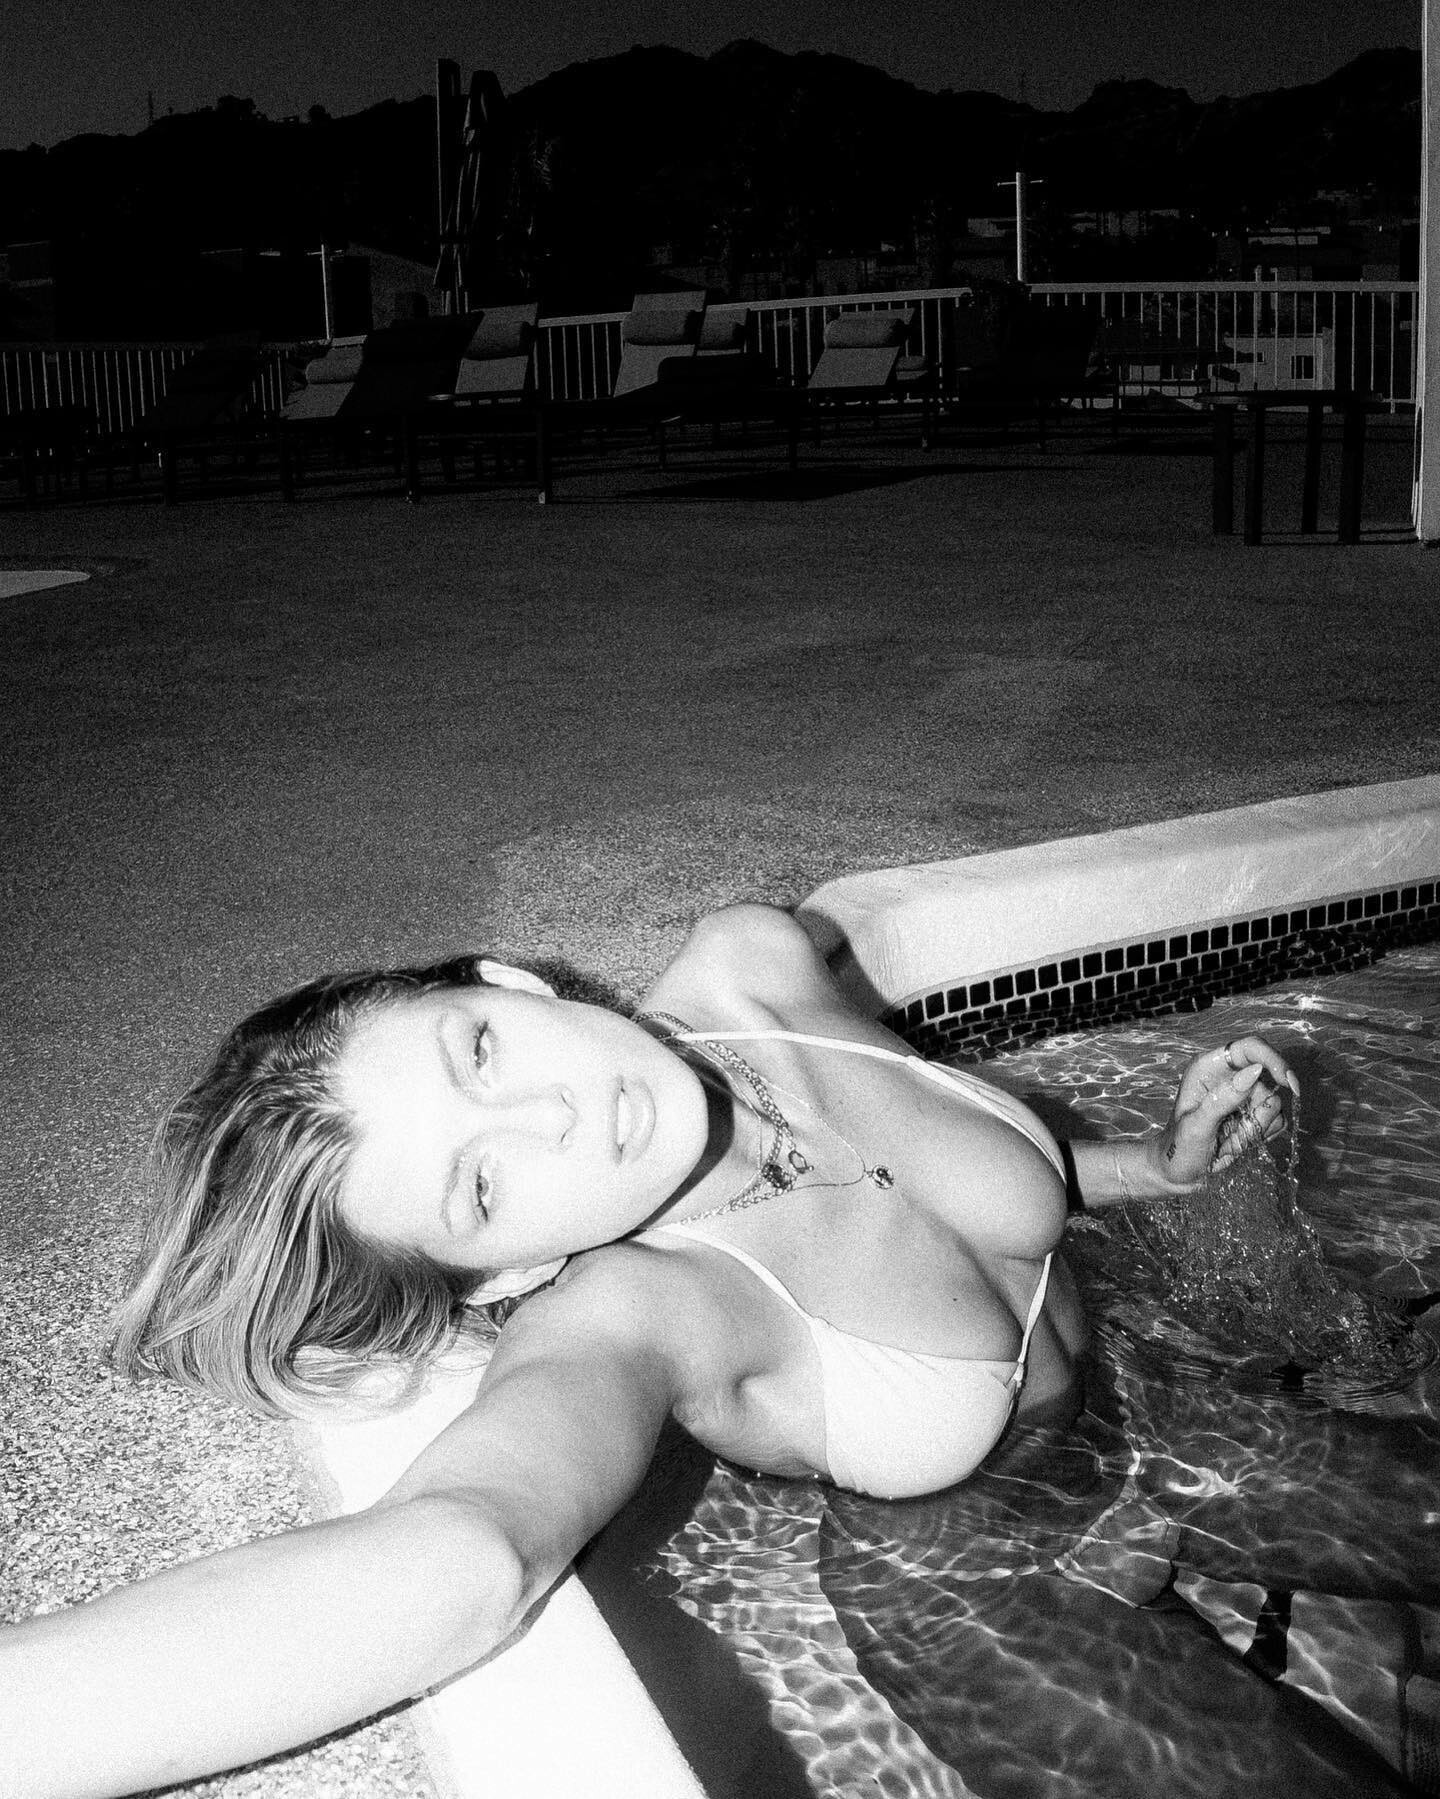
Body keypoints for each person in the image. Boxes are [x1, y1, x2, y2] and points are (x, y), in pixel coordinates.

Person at [0, 903, 1306, 1799]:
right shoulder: (637, 1314)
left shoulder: (755, 961)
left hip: (1151, 1406)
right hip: (976, 1581)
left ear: (510, 983)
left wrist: (1150, 1167)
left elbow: (938, 1167)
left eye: (479, 1051)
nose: (552, 1113)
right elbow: (467, 1545)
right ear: (508, 1275)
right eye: (481, 1187)